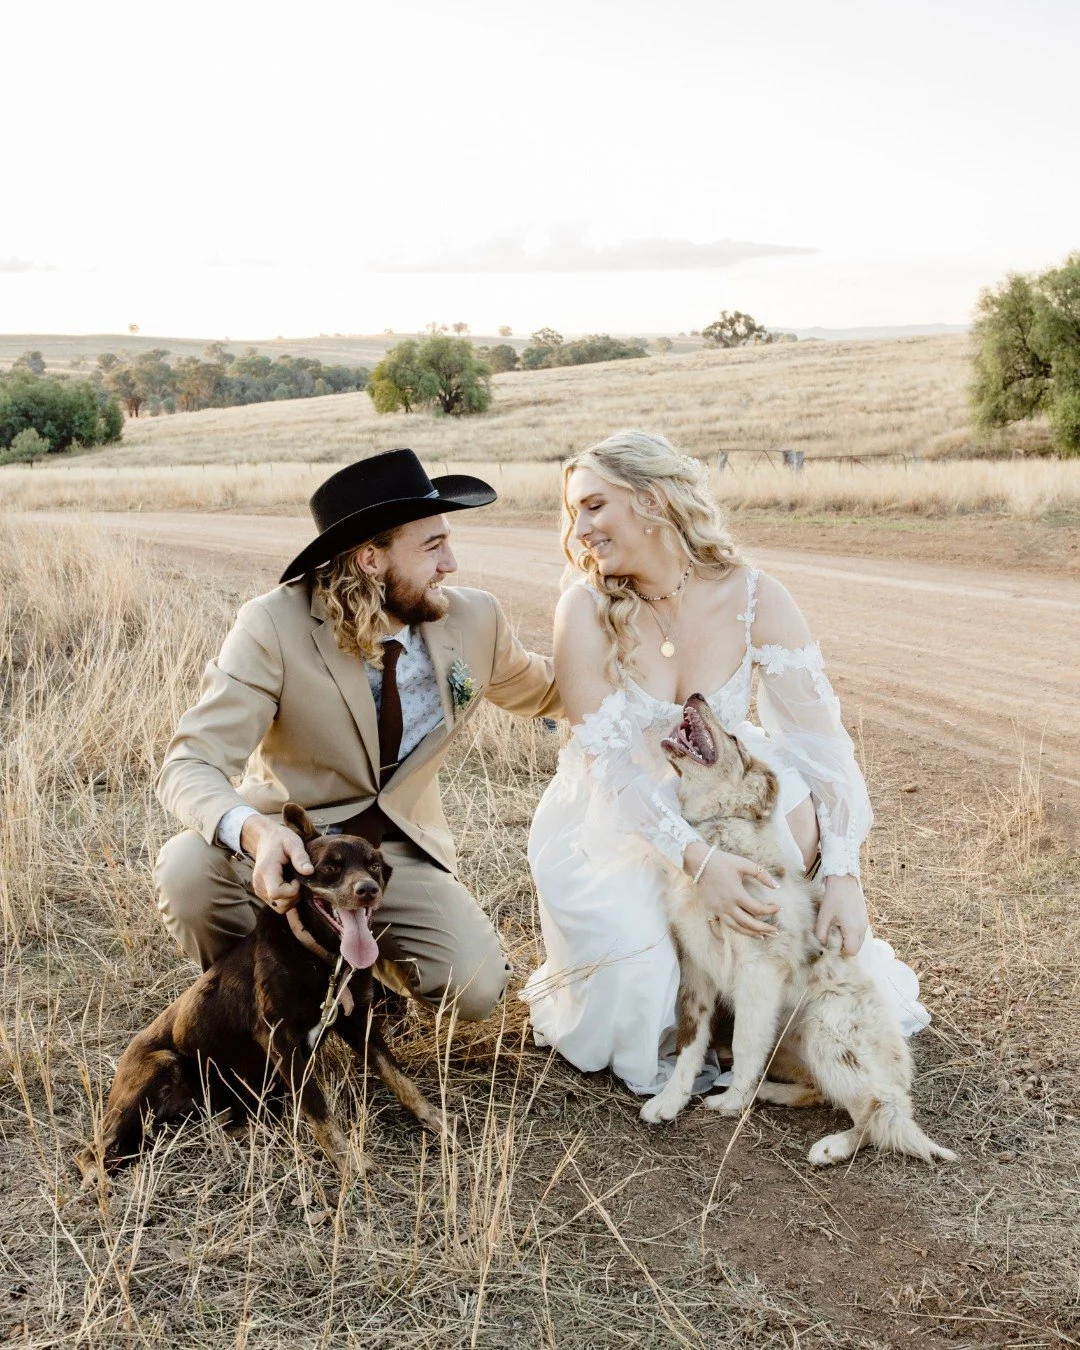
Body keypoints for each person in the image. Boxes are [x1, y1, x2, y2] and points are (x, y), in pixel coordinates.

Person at [521, 430, 928, 1096]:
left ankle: (755, 1011)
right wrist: (697, 862)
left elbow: (822, 747)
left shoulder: (755, 596)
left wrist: (846, 873)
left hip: (724, 786)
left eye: (594, 505)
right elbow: (611, 769)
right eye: (575, 513)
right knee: (639, 977)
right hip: (623, 815)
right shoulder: (584, 608)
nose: (580, 528)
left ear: (651, 499)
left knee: (812, 927)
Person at [154, 448, 562, 1022]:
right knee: (185, 872)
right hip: (294, 843)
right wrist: (258, 836)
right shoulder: (273, 625)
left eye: (447, 540)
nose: (451, 563)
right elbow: (189, 763)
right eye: (432, 546)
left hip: (394, 850)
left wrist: (623, 633)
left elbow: (546, 689)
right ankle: (269, 1000)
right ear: (371, 558)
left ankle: (368, 973)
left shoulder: (474, 618)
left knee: (475, 990)